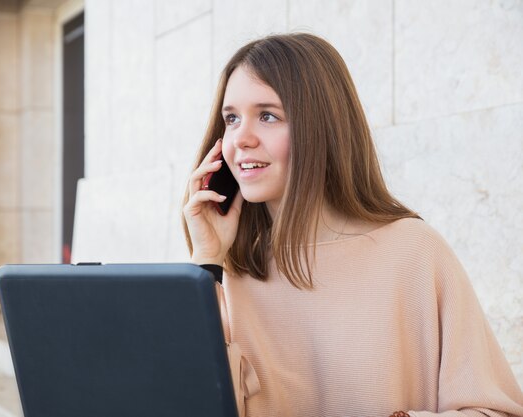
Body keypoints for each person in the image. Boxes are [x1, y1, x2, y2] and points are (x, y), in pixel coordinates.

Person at [181, 33, 523, 417]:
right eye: (231, 118)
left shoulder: (413, 252)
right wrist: (206, 262)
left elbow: (498, 410)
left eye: (268, 116)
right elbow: (183, 399)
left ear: (319, 127)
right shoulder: (236, 272)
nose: (240, 139)